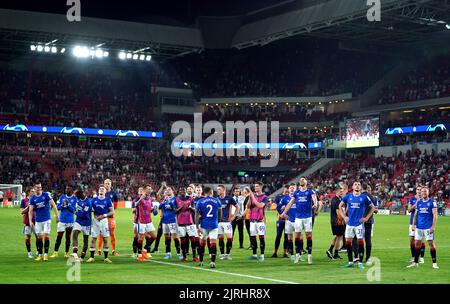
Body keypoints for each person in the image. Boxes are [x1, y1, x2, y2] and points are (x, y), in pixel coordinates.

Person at [339, 181, 375, 269]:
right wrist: (344, 216)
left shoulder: (364, 197)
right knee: (348, 243)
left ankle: (360, 263)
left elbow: (373, 207)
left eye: (359, 184)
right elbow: (340, 206)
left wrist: (366, 218)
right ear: (352, 187)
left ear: (361, 187)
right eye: (355, 184)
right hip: (350, 224)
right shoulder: (348, 196)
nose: (357, 186)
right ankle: (350, 261)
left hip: (359, 224)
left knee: (360, 243)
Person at [281, 177, 317, 264]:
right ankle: (297, 255)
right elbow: (290, 203)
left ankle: (309, 255)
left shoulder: (310, 191)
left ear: (306, 182)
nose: (301, 180)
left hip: (307, 217)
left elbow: (314, 198)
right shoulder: (296, 193)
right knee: (297, 236)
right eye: (300, 179)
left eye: (303, 179)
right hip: (298, 217)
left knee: (308, 235)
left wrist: (315, 203)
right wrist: (284, 212)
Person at [407, 186, 439, 269]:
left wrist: (433, 226)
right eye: (422, 191)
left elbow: (435, 215)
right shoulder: (419, 202)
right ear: (420, 193)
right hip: (419, 227)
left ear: (428, 192)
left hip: (428, 227)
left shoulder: (432, 202)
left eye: (425, 191)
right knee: (417, 244)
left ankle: (434, 263)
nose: (424, 193)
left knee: (431, 244)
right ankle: (416, 263)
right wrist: (413, 225)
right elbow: (416, 215)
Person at [28, 183, 59, 262]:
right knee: (39, 237)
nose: (39, 189)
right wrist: (30, 221)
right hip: (38, 220)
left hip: (47, 219)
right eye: (37, 187)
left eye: (40, 187)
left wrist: (57, 216)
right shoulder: (32, 198)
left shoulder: (46, 195)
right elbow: (30, 211)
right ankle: (40, 255)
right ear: (34, 188)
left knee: (46, 236)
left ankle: (45, 255)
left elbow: (54, 205)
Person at [195, 186, 222, 268]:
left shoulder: (200, 201)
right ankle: (212, 262)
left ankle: (201, 261)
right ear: (211, 192)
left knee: (202, 243)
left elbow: (196, 215)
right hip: (214, 224)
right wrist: (218, 221)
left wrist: (197, 226)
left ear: (204, 192)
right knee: (213, 243)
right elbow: (220, 212)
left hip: (203, 225)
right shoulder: (217, 200)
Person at [87, 185, 114, 263]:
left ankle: (106, 258)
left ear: (105, 191)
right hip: (95, 221)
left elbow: (112, 212)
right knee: (93, 239)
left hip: (104, 221)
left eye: (103, 189)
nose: (101, 190)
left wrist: (104, 215)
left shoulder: (108, 200)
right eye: (100, 189)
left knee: (105, 239)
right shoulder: (93, 200)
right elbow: (90, 209)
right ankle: (91, 257)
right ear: (98, 191)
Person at [51, 186, 77, 258]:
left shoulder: (74, 198)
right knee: (59, 236)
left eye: (68, 189)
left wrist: (68, 205)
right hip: (61, 220)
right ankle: (55, 252)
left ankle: (66, 253)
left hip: (70, 221)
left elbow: (74, 210)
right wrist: (62, 205)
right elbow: (57, 207)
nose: (66, 190)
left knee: (68, 237)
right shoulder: (62, 197)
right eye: (66, 188)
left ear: (72, 190)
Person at [175, 187, 199, 262]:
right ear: (179, 191)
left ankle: (195, 256)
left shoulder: (191, 199)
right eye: (181, 190)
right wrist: (180, 208)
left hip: (190, 222)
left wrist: (191, 208)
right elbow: (175, 211)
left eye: (184, 190)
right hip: (180, 222)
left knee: (193, 239)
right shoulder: (176, 199)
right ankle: (184, 256)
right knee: (182, 240)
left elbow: (195, 210)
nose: (183, 191)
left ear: (185, 192)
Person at [135, 185, 158, 261]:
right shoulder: (140, 197)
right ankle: (139, 255)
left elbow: (149, 209)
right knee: (140, 237)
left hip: (149, 221)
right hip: (141, 221)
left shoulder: (150, 198)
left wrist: (153, 210)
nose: (150, 190)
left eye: (150, 189)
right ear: (145, 190)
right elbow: (136, 204)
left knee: (154, 236)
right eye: (149, 189)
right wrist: (141, 198)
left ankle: (144, 250)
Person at [97, 179, 119, 256]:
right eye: (106, 183)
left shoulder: (114, 194)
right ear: (104, 184)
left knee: (112, 233)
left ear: (111, 184)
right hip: (102, 217)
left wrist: (110, 212)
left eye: (108, 183)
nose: (107, 185)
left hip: (110, 217)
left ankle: (113, 250)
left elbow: (115, 205)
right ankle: (99, 250)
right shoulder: (101, 193)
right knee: (100, 233)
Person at [247, 182, 268, 262]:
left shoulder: (264, 197)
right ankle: (254, 254)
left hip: (260, 221)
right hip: (252, 220)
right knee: (252, 238)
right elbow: (248, 206)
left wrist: (253, 196)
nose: (255, 187)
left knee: (261, 238)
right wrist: (250, 198)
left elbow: (260, 206)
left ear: (261, 187)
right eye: (255, 186)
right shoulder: (253, 196)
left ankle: (262, 255)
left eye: (257, 186)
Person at [216, 185, 238, 260]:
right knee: (220, 238)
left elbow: (237, 207)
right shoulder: (216, 199)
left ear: (223, 190)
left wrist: (234, 216)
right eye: (217, 189)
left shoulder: (229, 198)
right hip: (219, 222)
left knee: (229, 238)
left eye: (219, 189)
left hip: (227, 222)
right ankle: (222, 254)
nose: (218, 191)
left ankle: (228, 254)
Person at [159, 186, 181, 260]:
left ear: (173, 191)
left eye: (169, 189)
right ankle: (168, 253)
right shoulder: (164, 199)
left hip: (172, 220)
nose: (167, 191)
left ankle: (178, 253)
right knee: (167, 237)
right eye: (166, 190)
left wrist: (169, 202)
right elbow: (159, 207)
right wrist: (164, 201)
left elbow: (175, 209)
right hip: (165, 220)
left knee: (175, 237)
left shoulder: (176, 199)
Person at [326, 183, 347, 260]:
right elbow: (338, 213)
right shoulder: (337, 201)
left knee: (337, 236)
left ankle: (330, 250)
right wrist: (344, 219)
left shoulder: (334, 199)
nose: (342, 193)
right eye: (340, 191)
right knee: (340, 237)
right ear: (337, 191)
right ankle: (336, 254)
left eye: (342, 191)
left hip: (333, 221)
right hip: (338, 221)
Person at [72, 189, 92, 261]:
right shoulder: (78, 200)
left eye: (76, 195)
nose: (75, 196)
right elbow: (77, 209)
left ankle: (82, 257)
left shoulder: (88, 202)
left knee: (85, 240)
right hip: (78, 221)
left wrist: (75, 212)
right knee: (75, 233)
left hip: (86, 223)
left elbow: (84, 214)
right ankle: (75, 252)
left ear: (80, 194)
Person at [407, 187, 425, 263]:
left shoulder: (425, 200)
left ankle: (421, 257)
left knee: (421, 240)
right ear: (416, 190)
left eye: (421, 190)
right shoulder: (412, 199)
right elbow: (409, 210)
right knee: (412, 240)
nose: (419, 191)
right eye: (418, 189)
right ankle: (413, 256)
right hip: (412, 223)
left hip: (422, 223)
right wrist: (416, 203)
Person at [361, 183, 378, 265]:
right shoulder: (373, 198)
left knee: (358, 239)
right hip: (369, 221)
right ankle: (368, 258)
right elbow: (376, 210)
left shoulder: (359, 196)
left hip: (360, 221)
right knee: (368, 240)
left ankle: (358, 256)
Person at [272, 185, 289, 258]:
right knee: (278, 235)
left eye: (288, 189)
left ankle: (285, 253)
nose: (287, 190)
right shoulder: (278, 197)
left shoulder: (291, 197)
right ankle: (275, 252)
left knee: (286, 237)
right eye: (286, 189)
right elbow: (273, 207)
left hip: (288, 219)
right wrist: (279, 207)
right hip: (280, 219)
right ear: (284, 189)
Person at [150, 182, 168, 254]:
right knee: (159, 234)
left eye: (166, 192)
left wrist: (166, 187)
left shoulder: (173, 200)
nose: (165, 193)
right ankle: (155, 248)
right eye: (164, 193)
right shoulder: (162, 200)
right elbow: (157, 194)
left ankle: (169, 250)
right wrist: (162, 187)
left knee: (170, 235)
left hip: (171, 220)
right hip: (162, 219)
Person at [20, 187, 36, 258]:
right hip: (27, 222)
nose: (34, 192)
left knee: (38, 237)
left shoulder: (36, 200)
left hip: (36, 221)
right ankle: (29, 252)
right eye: (32, 191)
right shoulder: (24, 201)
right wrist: (28, 207)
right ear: (28, 192)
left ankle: (38, 251)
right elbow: (22, 212)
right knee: (28, 237)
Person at [131, 187, 143, 258]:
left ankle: (141, 252)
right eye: (140, 191)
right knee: (136, 236)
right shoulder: (135, 200)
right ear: (138, 192)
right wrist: (138, 207)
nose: (141, 192)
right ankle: (134, 252)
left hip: (143, 222)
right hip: (136, 221)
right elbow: (132, 211)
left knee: (141, 237)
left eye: (142, 191)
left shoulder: (146, 200)